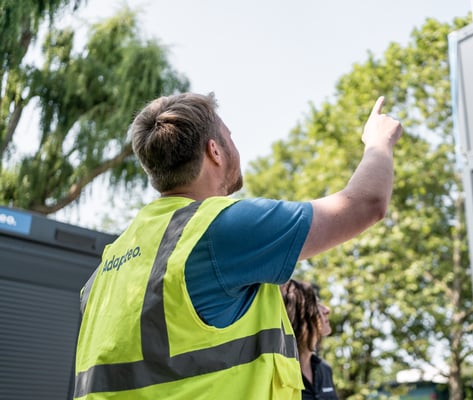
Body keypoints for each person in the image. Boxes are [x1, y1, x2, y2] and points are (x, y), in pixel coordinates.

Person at [73, 92, 402, 400]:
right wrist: (378, 142)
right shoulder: (218, 228)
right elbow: (365, 204)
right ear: (215, 151)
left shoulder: (108, 265)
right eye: (230, 137)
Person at [281, 280, 338, 400]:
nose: (326, 309)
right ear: (299, 313)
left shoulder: (324, 369)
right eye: (316, 303)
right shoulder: (279, 373)